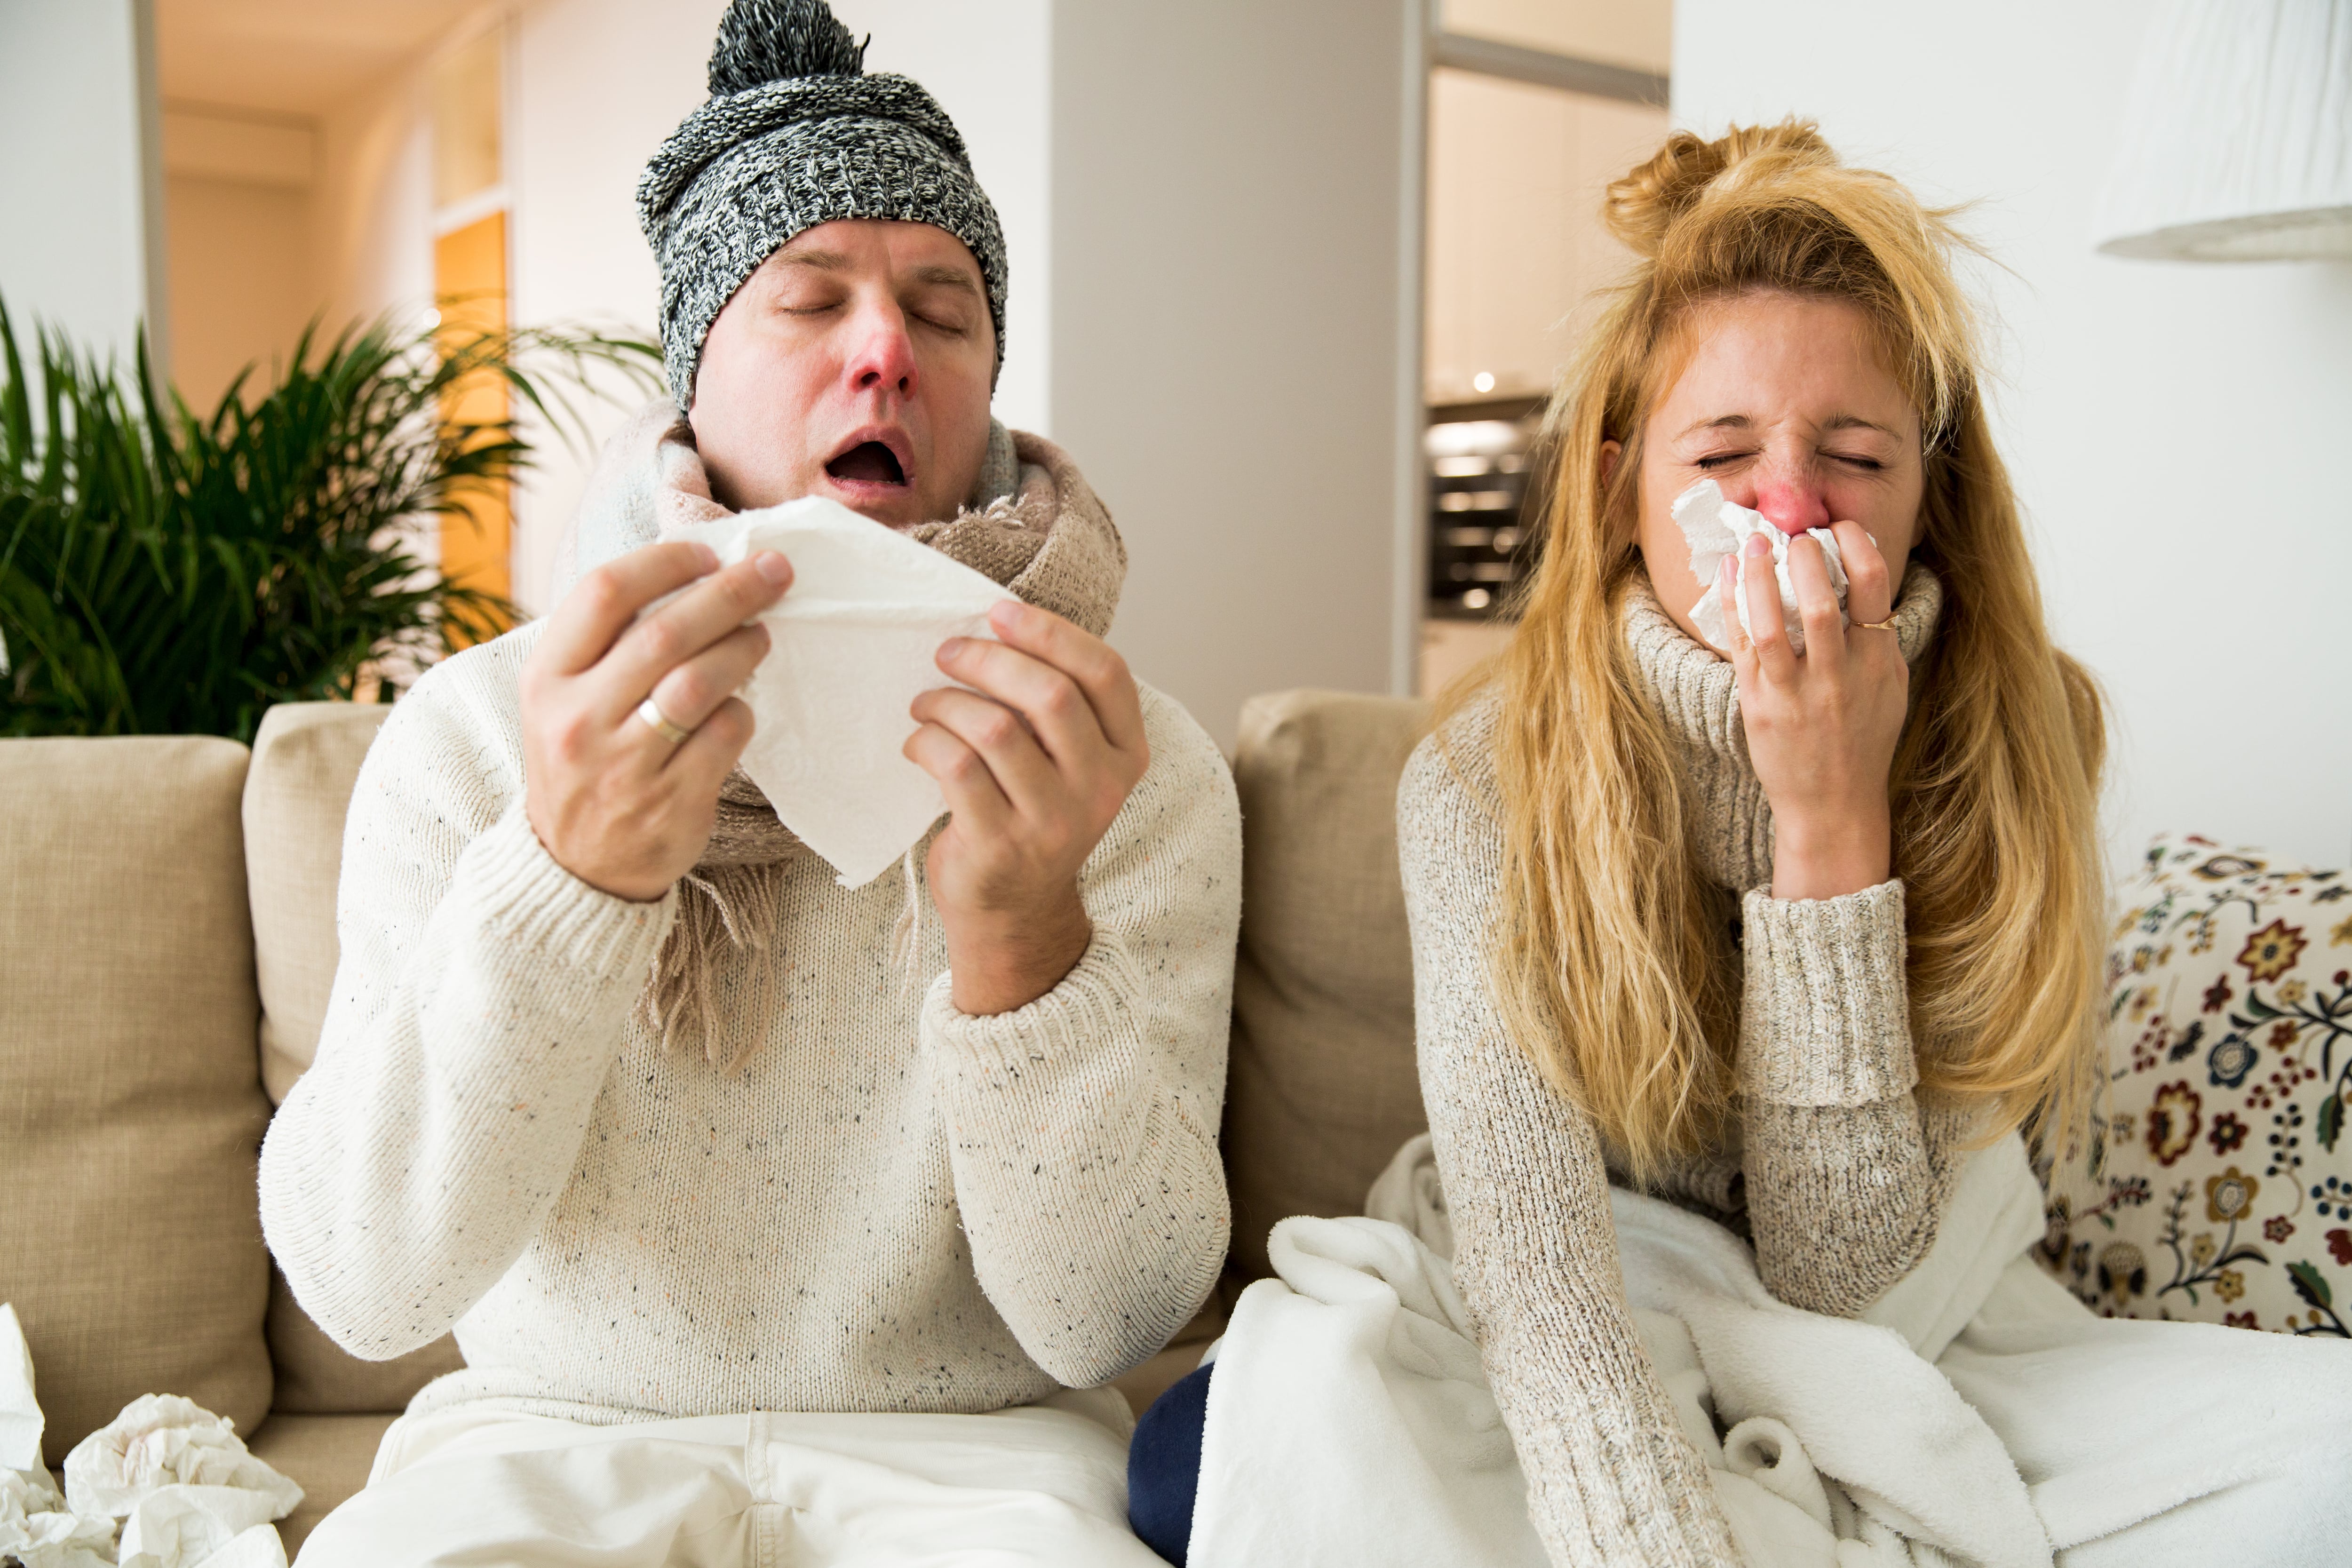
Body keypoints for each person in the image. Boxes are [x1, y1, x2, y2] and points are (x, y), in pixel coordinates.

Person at [260, 2, 1237, 1561]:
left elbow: (1110, 1321)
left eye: (946, 307)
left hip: (981, 1463)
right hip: (547, 1439)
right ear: (694, 367)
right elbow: (364, 1281)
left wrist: (1021, 942)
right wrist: (560, 880)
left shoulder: (1121, 762)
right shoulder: (475, 734)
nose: (885, 352)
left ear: (988, 383)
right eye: (809, 300)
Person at [1392, 121, 2352, 1566]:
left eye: (1853, 458)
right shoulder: (1479, 774)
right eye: (1723, 454)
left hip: (1911, 1303)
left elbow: (1848, 1288)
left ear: (1927, 502)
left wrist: (1830, 824)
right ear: (1616, 494)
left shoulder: (2026, 732)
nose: (1787, 509)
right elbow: (1547, 1301)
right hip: (1590, 1295)